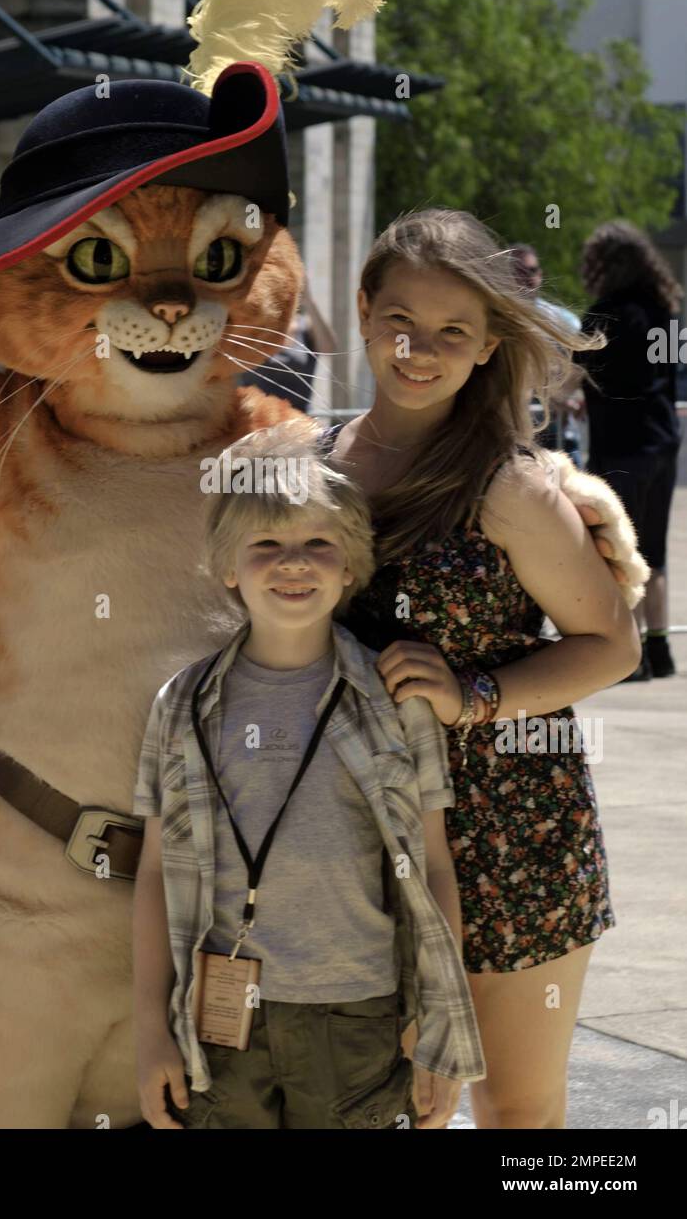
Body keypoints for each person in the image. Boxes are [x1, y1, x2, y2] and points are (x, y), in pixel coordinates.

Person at [319, 207, 640, 1130]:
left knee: (516, 1114)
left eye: (453, 331)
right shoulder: (314, 464)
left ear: (489, 342)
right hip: (346, 836)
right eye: (401, 322)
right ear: (365, 312)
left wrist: (477, 696)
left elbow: (611, 643)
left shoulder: (509, 485)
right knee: (380, 1105)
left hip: (510, 835)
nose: (420, 349)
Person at [131, 421, 485, 1130]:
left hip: (359, 1015)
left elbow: (435, 866)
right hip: (219, 1022)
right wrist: (148, 1031)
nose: (294, 563)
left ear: (351, 566)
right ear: (228, 568)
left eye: (318, 545)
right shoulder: (181, 707)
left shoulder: (395, 702)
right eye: (266, 546)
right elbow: (153, 875)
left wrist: (439, 1032)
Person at [576, 220, 683, 681]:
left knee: (622, 552)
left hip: (621, 445)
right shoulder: (665, 312)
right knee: (654, 550)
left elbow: (576, 370)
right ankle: (660, 650)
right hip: (662, 442)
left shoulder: (604, 315)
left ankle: (633, 656)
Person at [509, 242, 583, 462]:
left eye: (532, 270)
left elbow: (580, 371)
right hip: (512, 435)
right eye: (519, 271)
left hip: (560, 433)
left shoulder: (563, 321)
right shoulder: (495, 319)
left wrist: (571, 397)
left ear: (540, 274)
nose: (527, 277)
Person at [238, 280, 337, 410]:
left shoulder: (306, 328)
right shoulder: (254, 326)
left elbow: (329, 349)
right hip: (255, 418)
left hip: (298, 419)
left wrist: (309, 300)